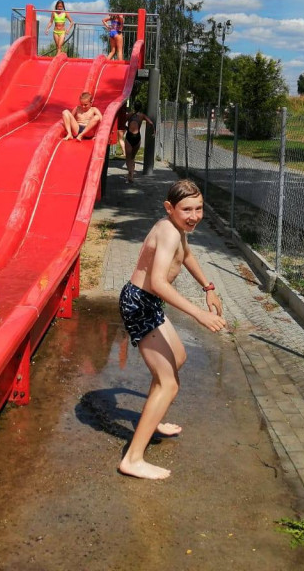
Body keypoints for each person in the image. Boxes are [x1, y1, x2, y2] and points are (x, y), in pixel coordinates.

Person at [117, 179, 226, 480]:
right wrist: (199, 315)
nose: (194, 215)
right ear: (169, 208)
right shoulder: (167, 231)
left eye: (199, 208)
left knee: (177, 359)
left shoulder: (178, 229)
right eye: (186, 209)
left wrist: (208, 287)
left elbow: (186, 256)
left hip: (149, 303)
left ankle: (153, 418)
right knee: (169, 383)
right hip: (139, 304)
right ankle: (133, 459)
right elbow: (158, 283)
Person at [123, 104, 155, 184]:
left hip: (129, 136)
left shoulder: (130, 115)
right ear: (141, 108)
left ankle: (130, 173)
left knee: (128, 157)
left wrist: (127, 128)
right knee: (133, 157)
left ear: (134, 107)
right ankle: (131, 175)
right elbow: (151, 123)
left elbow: (122, 123)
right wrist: (154, 131)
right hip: (137, 137)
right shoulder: (142, 115)